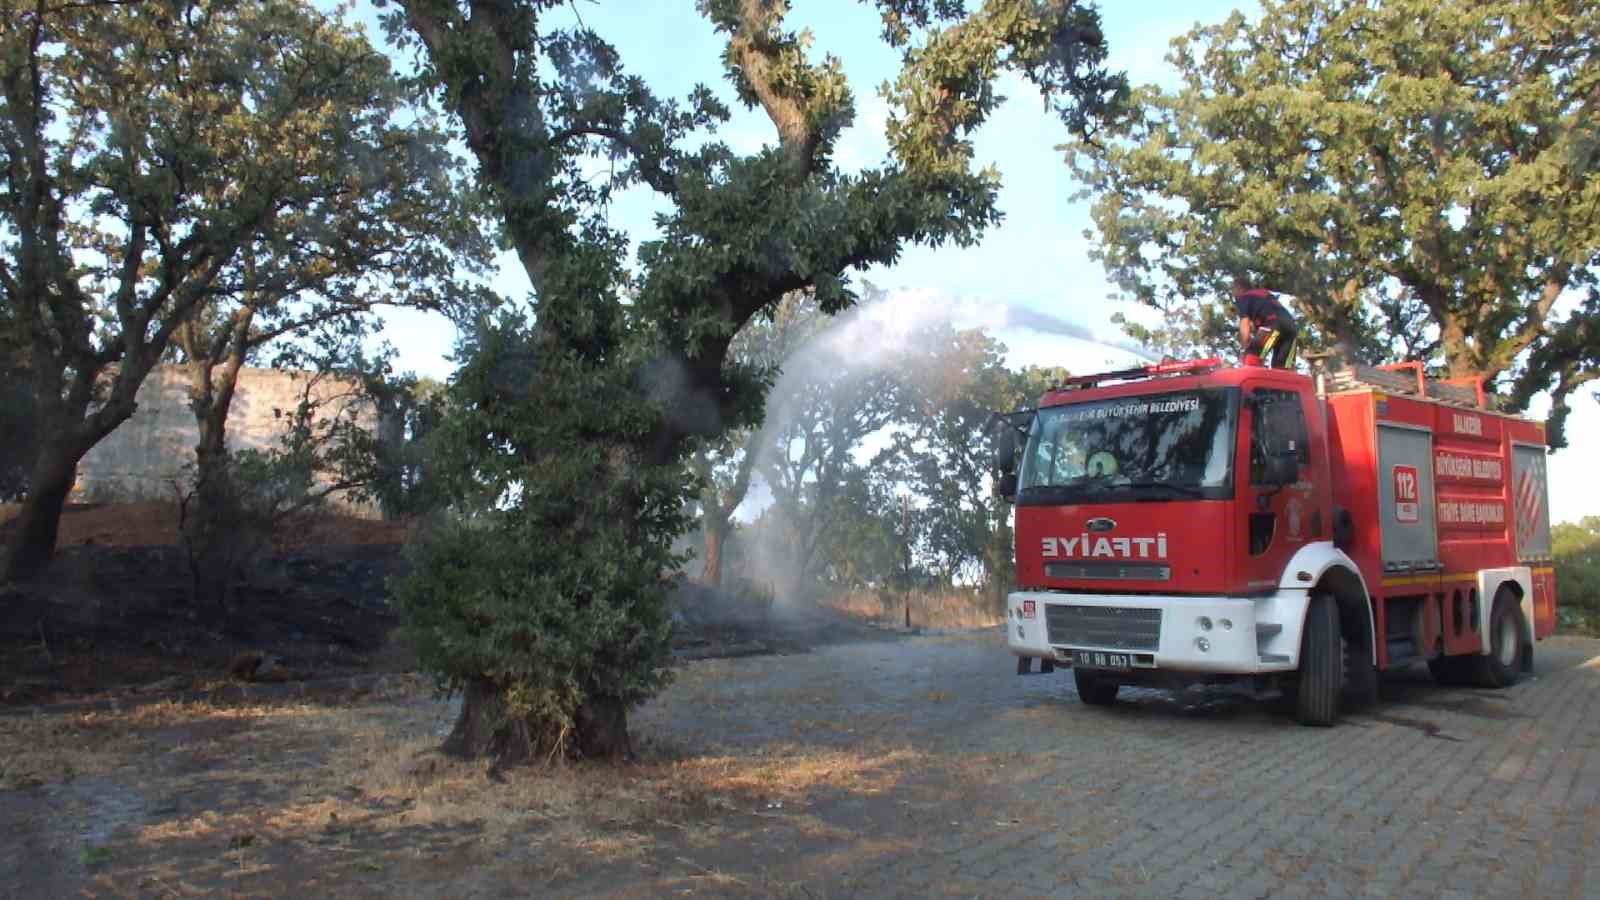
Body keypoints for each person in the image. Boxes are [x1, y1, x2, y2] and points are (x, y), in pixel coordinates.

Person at [1232, 284, 1299, 369]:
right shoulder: (1263, 294)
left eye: (1233, 290)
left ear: (1239, 289)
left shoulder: (1244, 297)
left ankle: (1252, 375)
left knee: (1251, 356)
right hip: (1291, 328)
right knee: (1283, 367)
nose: (1233, 294)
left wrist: (1245, 345)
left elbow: (1244, 323)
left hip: (1274, 326)